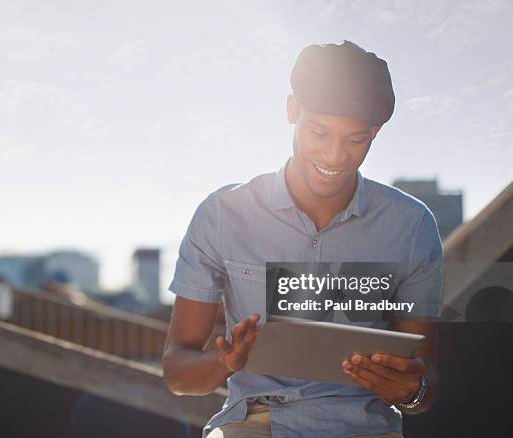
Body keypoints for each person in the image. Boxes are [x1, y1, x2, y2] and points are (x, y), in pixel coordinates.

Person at [162, 40, 443, 438]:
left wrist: (412, 390)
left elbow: (425, 383)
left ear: (376, 132)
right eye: (319, 131)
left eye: (355, 140)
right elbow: (178, 374)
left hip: (364, 427)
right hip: (255, 422)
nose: (334, 156)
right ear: (292, 110)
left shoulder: (411, 227)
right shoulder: (223, 215)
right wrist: (225, 363)